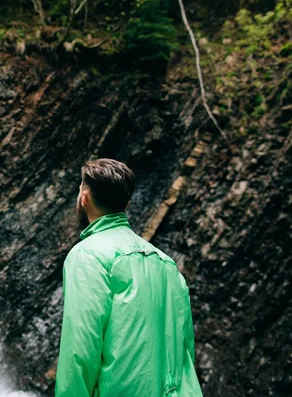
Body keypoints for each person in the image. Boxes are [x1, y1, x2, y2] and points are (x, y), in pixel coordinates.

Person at [55, 159, 203, 397]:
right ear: (127, 203)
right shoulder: (167, 265)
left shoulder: (87, 255)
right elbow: (184, 353)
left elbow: (80, 350)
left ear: (84, 198)